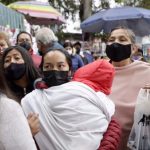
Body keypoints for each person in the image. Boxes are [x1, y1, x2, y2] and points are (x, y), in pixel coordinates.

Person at [21, 59, 115, 150]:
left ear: (70, 71)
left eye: (61, 66)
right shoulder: (106, 102)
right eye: (48, 66)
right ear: (41, 69)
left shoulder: (77, 90)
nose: (55, 70)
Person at [105, 26, 150, 150]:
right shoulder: (97, 71)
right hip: (103, 143)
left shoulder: (146, 71)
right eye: (112, 39)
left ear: (134, 48)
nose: (116, 43)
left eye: (122, 39)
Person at [0, 57, 37, 150]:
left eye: (17, 58)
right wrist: (24, 132)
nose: (12, 62)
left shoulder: (39, 90)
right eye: (7, 60)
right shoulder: (6, 102)